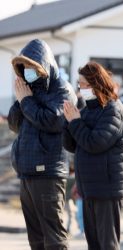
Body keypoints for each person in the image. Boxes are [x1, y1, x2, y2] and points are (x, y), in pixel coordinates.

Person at [8, 38, 77, 250]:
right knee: (35, 237)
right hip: (26, 170)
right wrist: (22, 100)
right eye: (24, 67)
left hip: (48, 171)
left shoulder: (61, 89)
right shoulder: (29, 90)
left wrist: (27, 101)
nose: (27, 71)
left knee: (53, 236)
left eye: (31, 66)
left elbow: (53, 121)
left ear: (43, 65)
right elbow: (15, 124)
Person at [63, 61, 123, 250]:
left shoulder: (113, 110)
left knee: (107, 244)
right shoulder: (86, 110)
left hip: (107, 188)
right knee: (94, 244)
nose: (80, 88)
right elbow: (72, 145)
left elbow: (95, 143)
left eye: (83, 84)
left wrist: (75, 122)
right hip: (89, 188)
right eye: (79, 84)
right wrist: (67, 122)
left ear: (96, 84)